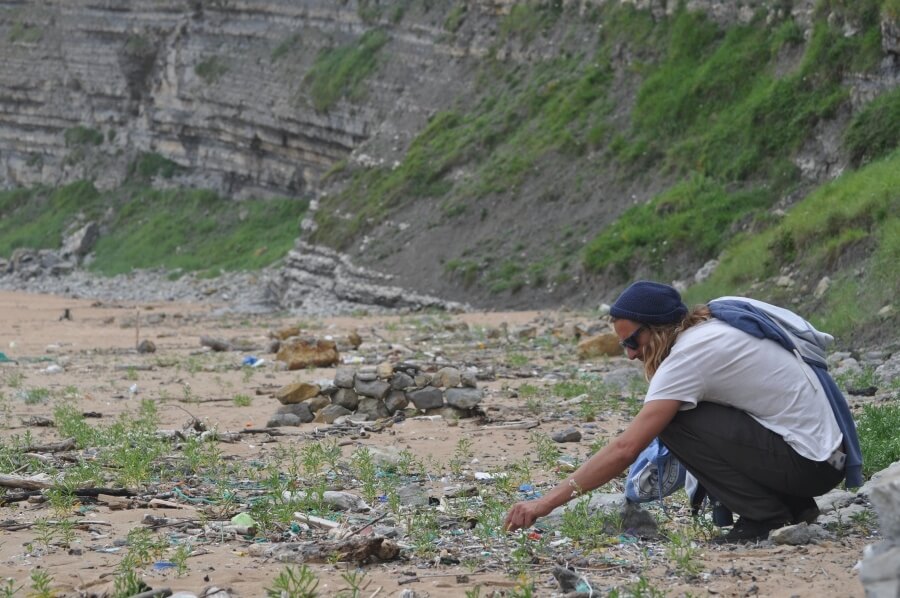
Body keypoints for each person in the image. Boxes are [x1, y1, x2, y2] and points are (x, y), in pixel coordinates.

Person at [504, 280, 861, 542]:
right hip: (823, 457)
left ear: (656, 328)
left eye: (632, 341)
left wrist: (544, 504)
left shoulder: (688, 357)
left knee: (674, 423)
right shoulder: (709, 327)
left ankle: (765, 516)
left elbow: (626, 449)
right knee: (685, 416)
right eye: (622, 343)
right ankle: (794, 506)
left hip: (810, 464)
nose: (629, 353)